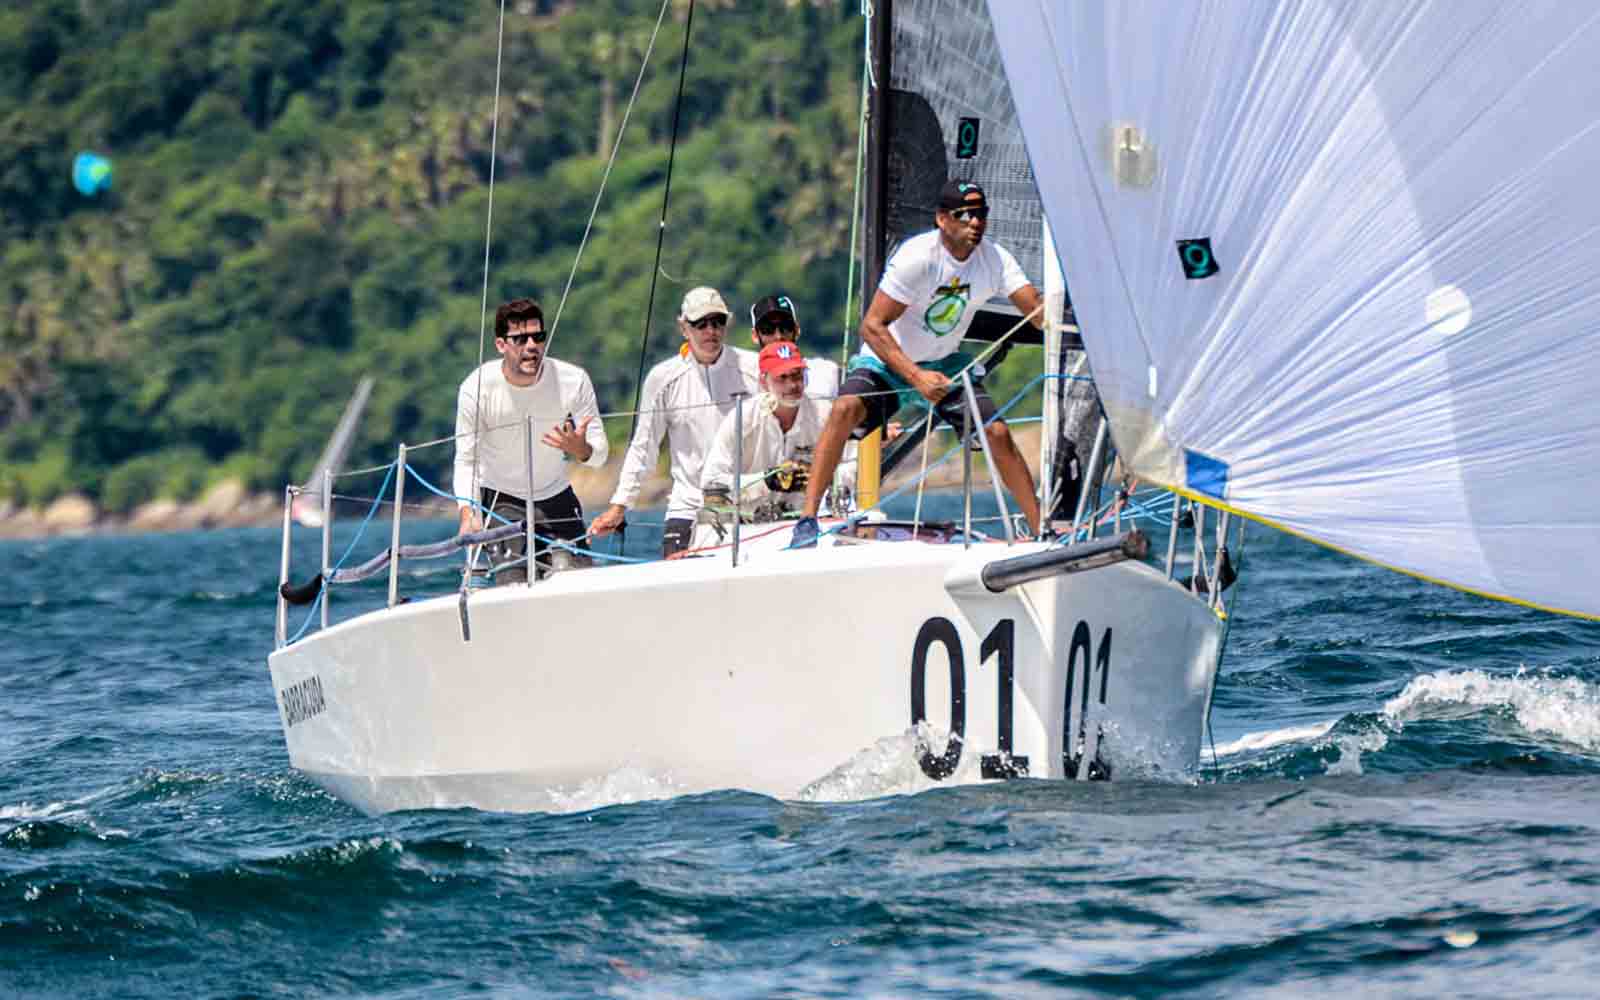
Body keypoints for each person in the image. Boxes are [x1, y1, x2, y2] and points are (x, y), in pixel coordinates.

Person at [793, 179, 1044, 546]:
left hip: (945, 363)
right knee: (845, 408)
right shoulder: (918, 258)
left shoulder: (994, 259)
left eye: (981, 214)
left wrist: (1054, 311)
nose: (975, 222)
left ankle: (1041, 529)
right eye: (965, 214)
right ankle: (807, 520)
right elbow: (872, 326)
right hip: (889, 361)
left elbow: (1035, 310)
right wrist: (915, 376)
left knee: (998, 433)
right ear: (942, 219)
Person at [591, 286, 757, 557]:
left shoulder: (753, 368)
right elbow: (644, 447)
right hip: (687, 504)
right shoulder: (663, 378)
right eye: (700, 323)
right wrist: (620, 505)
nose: (710, 331)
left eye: (718, 322)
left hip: (748, 502)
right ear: (683, 328)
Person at [454, 297, 609, 582]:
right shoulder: (476, 389)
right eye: (520, 339)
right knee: (511, 584)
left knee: (583, 584)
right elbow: (466, 461)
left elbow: (600, 455)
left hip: (556, 496)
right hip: (502, 499)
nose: (531, 346)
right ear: (501, 345)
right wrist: (468, 513)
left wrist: (581, 449)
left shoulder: (573, 380)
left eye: (538, 337)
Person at [701, 341, 847, 524]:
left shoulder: (825, 414)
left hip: (806, 521)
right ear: (763, 382)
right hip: (746, 525)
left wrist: (821, 475)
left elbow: (850, 465)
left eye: (797, 375)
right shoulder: (742, 417)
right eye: (782, 378)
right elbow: (710, 482)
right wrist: (767, 480)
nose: (792, 385)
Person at [739, 293, 843, 399]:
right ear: (755, 336)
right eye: (768, 329)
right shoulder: (744, 381)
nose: (778, 336)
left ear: (797, 330)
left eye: (785, 327)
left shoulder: (827, 372)